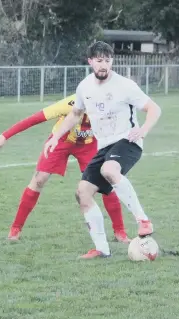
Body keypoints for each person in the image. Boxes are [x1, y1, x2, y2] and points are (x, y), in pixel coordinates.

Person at [43, 41, 161, 259]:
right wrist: (56, 138)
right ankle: (101, 249)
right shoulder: (84, 87)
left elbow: (154, 108)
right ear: (90, 61)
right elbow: (75, 114)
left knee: (109, 170)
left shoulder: (125, 85)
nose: (103, 65)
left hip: (128, 141)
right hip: (104, 146)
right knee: (83, 193)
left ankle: (143, 220)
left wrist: (143, 130)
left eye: (107, 60)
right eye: (99, 60)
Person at [0, 95, 130, 244]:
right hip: (61, 140)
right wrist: (4, 136)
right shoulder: (70, 104)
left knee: (105, 181)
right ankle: (15, 229)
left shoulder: (110, 105)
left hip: (88, 145)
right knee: (39, 179)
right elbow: (34, 119)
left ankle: (120, 232)